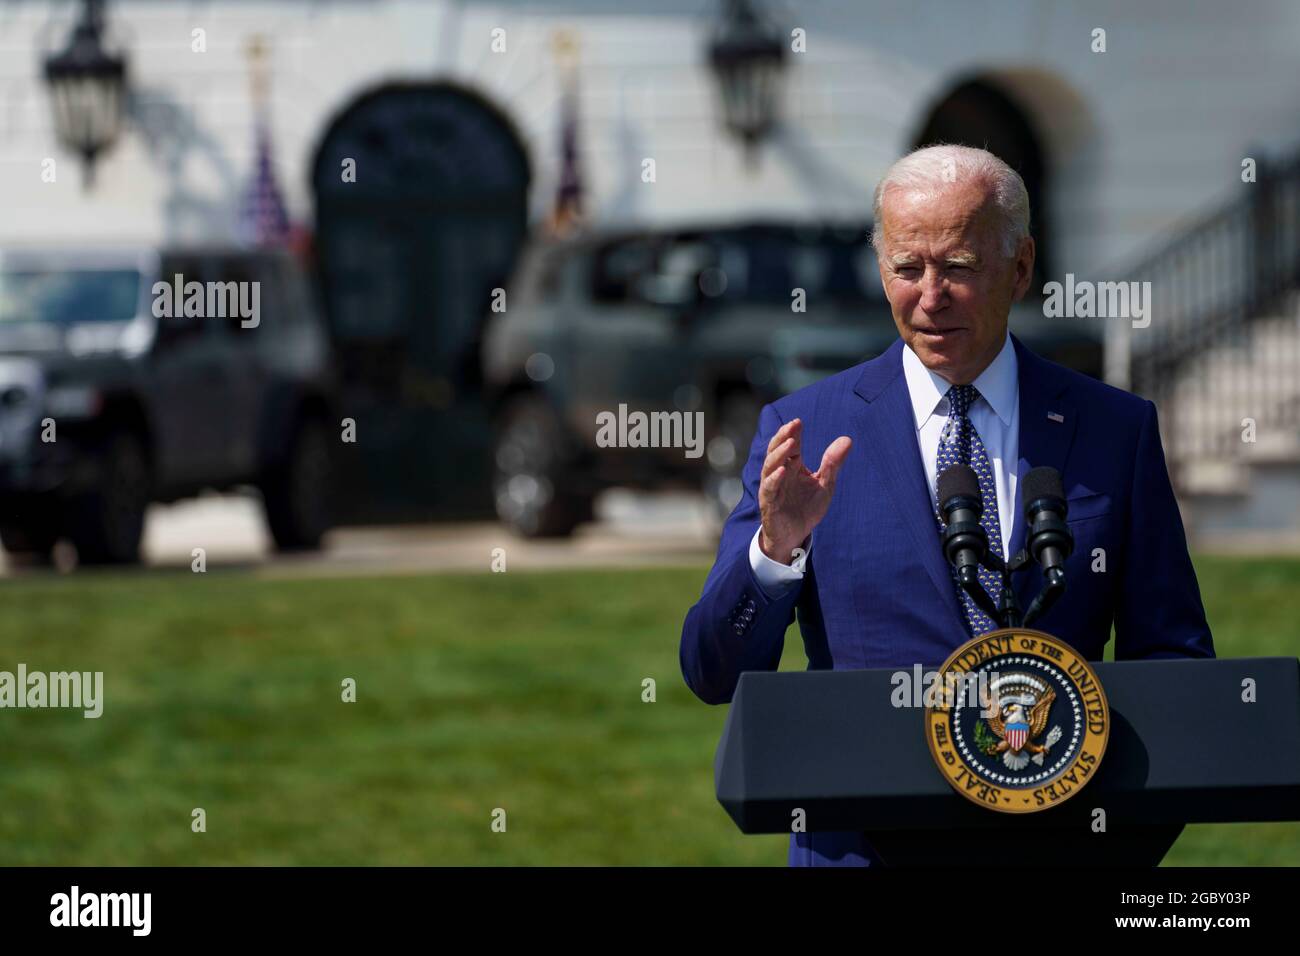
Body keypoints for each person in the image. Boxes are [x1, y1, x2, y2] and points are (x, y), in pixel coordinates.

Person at [678, 144, 1215, 866]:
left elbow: (1175, 670)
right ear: (882, 270)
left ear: (1020, 268)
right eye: (908, 268)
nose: (930, 296)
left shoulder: (1114, 429)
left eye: (958, 267)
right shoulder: (806, 430)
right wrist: (774, 554)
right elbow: (712, 671)